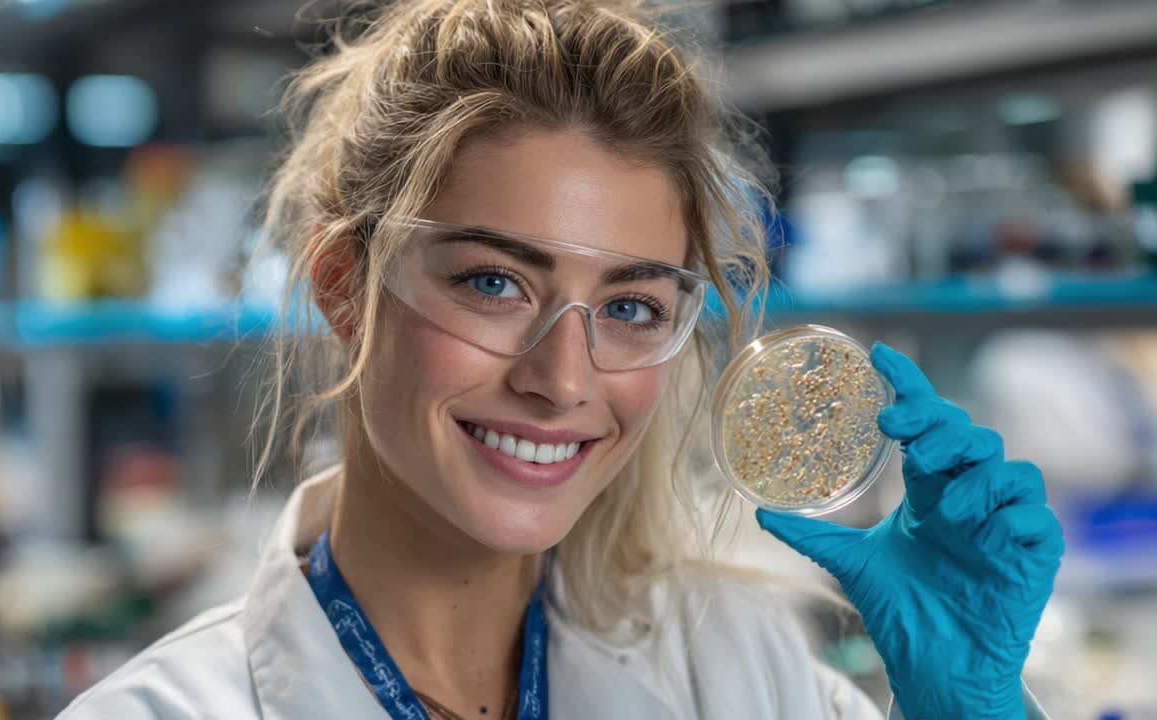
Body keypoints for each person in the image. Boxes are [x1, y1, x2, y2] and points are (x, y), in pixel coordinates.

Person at [57, 0, 1062, 718]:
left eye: (628, 305)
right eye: (493, 282)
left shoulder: (735, 671)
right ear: (341, 286)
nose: (563, 381)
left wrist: (967, 705)